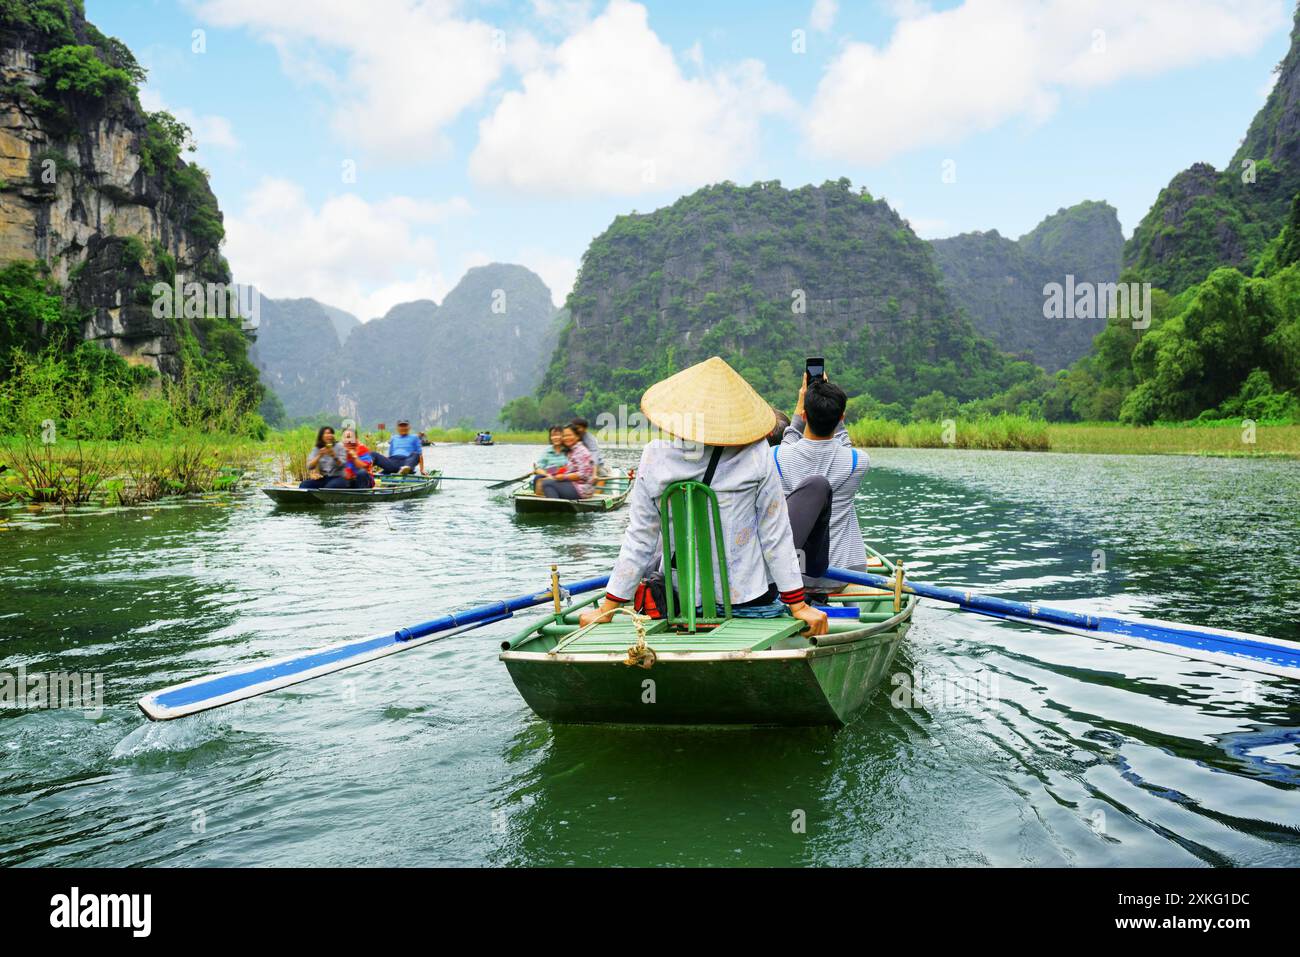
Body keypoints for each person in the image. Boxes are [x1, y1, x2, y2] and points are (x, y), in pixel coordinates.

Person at [578, 357, 827, 637]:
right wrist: (798, 605)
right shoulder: (757, 453)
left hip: (679, 601)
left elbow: (640, 538)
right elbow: (775, 533)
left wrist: (607, 608)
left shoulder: (655, 455)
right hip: (749, 600)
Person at [774, 373, 870, 600]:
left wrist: (801, 404)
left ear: (804, 415)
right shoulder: (859, 462)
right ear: (841, 418)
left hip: (793, 577)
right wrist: (833, 409)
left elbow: (790, 437)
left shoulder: (776, 456)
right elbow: (843, 445)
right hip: (839, 576)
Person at [538, 424, 593, 499]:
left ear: (577, 436)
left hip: (581, 489)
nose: (566, 438)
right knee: (540, 479)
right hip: (570, 482)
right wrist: (550, 474)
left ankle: (555, 506)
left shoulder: (581, 451)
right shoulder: (572, 450)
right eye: (564, 436)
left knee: (547, 483)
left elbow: (583, 475)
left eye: (569, 435)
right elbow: (566, 469)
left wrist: (563, 476)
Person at [531, 425, 570, 496]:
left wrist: (558, 471)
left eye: (558, 435)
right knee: (538, 478)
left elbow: (570, 467)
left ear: (563, 436)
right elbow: (538, 468)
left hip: (565, 476)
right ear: (550, 438)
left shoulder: (568, 450)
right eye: (553, 435)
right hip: (549, 475)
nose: (556, 438)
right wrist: (548, 474)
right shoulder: (547, 451)